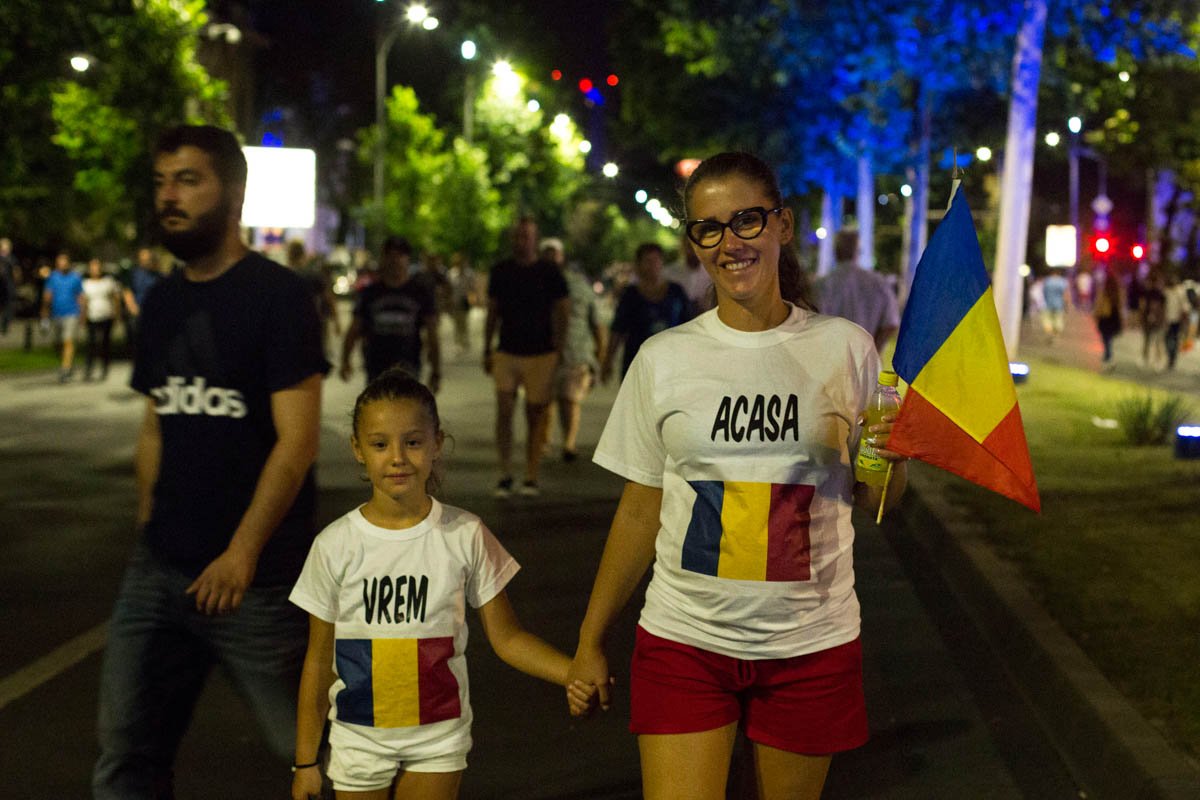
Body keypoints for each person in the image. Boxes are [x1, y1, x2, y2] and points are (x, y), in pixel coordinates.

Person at [567, 152, 908, 800]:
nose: (731, 242)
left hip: (811, 642)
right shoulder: (664, 359)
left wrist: (893, 460)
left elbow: (875, 497)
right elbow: (641, 509)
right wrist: (590, 639)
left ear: (781, 224)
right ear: (694, 243)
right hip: (684, 642)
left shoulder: (845, 347)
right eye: (709, 228)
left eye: (746, 220)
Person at [93, 124, 329, 799]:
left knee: (309, 756)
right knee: (126, 754)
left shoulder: (278, 297)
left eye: (188, 180)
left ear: (234, 193)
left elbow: (298, 441)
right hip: (160, 572)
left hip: (254, 582)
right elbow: (155, 424)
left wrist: (243, 551)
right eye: (162, 182)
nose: (169, 196)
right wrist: (149, 526)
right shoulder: (163, 301)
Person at [290, 368, 595, 800]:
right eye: (380, 444)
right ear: (358, 449)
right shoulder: (334, 545)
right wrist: (305, 761)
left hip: (438, 739)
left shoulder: (465, 533)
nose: (397, 457)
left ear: (437, 443)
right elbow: (318, 663)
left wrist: (571, 673)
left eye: (413, 442)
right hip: (359, 738)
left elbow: (507, 638)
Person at [483, 218, 568, 498]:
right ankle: (504, 472)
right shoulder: (501, 271)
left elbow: (562, 309)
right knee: (504, 409)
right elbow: (492, 312)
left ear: (535, 238)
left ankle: (531, 474)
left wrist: (559, 348)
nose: (522, 241)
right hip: (507, 349)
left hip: (541, 352)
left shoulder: (549, 271)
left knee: (535, 414)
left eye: (527, 236)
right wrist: (487, 347)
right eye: (518, 236)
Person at [341, 235, 441, 392]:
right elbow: (354, 328)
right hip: (376, 367)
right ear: (383, 258)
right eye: (390, 255)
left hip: (408, 366)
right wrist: (345, 360)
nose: (395, 260)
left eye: (400, 255)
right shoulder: (370, 293)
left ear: (407, 259)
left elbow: (432, 332)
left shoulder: (419, 292)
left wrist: (436, 371)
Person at [541, 237, 604, 462]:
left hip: (575, 351)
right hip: (541, 350)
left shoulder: (578, 284)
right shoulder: (534, 283)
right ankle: (542, 442)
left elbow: (594, 320)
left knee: (569, 399)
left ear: (561, 256)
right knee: (542, 400)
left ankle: (568, 443)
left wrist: (600, 351)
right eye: (545, 253)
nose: (550, 257)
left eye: (554, 253)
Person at [601, 242, 691, 383]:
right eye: (648, 261)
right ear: (638, 265)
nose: (653, 266)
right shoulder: (631, 295)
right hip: (637, 362)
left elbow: (689, 326)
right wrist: (608, 360)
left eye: (656, 260)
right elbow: (618, 329)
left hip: (671, 364)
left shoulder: (676, 292)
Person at [816, 230, 900, 353]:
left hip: (832, 360)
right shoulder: (878, 283)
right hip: (867, 362)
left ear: (836, 252)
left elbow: (816, 324)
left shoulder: (823, 285)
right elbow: (891, 323)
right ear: (858, 251)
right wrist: (873, 351)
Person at [288, 239, 344, 358]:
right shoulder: (312, 274)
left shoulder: (285, 274)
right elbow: (328, 297)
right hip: (314, 322)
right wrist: (336, 322)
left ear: (290, 254)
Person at [40, 250, 85, 382]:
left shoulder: (75, 277)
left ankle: (65, 369)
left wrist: (83, 314)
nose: (62, 264)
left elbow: (81, 296)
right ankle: (67, 365)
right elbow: (47, 296)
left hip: (72, 313)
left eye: (64, 262)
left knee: (68, 341)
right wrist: (44, 314)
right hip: (56, 313)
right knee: (58, 343)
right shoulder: (53, 277)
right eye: (59, 262)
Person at [81, 257, 121, 381]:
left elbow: (115, 298)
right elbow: (83, 301)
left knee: (105, 344)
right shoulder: (85, 283)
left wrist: (116, 314)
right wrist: (82, 316)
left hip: (106, 315)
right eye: (93, 267)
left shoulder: (107, 282)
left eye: (97, 266)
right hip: (92, 316)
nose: (95, 269)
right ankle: (89, 370)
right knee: (91, 344)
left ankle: (104, 368)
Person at [122, 246, 165, 351]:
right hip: (138, 311)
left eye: (148, 257)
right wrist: (133, 308)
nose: (146, 260)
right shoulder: (133, 273)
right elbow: (127, 292)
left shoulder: (158, 275)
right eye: (143, 257)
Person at [664, 232, 714, 317]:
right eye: (689, 245)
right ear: (683, 246)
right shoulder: (669, 272)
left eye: (697, 244)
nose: (693, 249)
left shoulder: (712, 272)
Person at [1093, 270, 1124, 366]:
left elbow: (1098, 303)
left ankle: (1108, 354)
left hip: (1105, 316)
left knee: (1105, 336)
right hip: (1114, 316)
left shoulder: (1104, 291)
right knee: (1108, 336)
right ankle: (1108, 353)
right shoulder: (1118, 291)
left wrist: (1096, 314)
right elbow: (1121, 305)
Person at [1138, 270, 1167, 368]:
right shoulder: (1149, 292)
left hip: (1156, 320)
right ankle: (1149, 359)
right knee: (1149, 340)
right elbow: (1142, 306)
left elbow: (1161, 308)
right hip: (1149, 320)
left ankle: (1155, 360)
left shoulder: (1159, 294)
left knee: (1155, 341)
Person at [1163, 273, 1188, 370]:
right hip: (1168, 320)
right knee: (1167, 339)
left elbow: (1184, 308)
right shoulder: (1167, 292)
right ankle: (1170, 356)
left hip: (1176, 320)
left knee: (1173, 339)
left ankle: (1172, 358)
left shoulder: (1180, 292)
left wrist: (1184, 320)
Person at [1041, 267, 1070, 343]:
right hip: (1059, 304)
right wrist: (1066, 304)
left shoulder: (1047, 281)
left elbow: (1043, 292)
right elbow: (1065, 294)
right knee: (1058, 319)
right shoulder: (1062, 281)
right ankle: (1055, 335)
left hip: (1048, 304)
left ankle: (1050, 333)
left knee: (1047, 320)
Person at [0, 236, 16, 335]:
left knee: (7, 306)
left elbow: (16, 272)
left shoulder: (11, 258)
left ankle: (5, 325)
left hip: (7, 286)